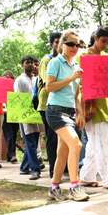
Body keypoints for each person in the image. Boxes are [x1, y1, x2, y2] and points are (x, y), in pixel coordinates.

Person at [46, 30, 88, 202]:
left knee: (63, 153)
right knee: (76, 144)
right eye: (70, 44)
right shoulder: (55, 62)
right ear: (62, 44)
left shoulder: (77, 67)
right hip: (55, 111)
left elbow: (77, 93)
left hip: (70, 112)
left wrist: (80, 112)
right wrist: (72, 78)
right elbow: (49, 87)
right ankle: (74, 186)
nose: (74, 47)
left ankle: (54, 188)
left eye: (77, 44)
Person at [79, 26, 108, 191]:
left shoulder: (107, 57)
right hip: (90, 105)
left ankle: (87, 177)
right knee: (104, 142)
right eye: (103, 41)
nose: (105, 45)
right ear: (95, 38)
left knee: (93, 143)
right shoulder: (83, 56)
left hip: (105, 103)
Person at [37, 32, 61, 178]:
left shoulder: (64, 60)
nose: (59, 45)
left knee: (60, 137)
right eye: (56, 42)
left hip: (61, 104)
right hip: (47, 104)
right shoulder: (47, 60)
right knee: (52, 138)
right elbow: (48, 84)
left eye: (61, 42)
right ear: (51, 44)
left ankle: (61, 167)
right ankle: (53, 169)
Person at [14, 56, 41, 180]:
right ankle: (35, 170)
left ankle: (24, 167)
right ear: (22, 65)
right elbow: (19, 98)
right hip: (25, 113)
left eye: (31, 62)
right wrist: (24, 115)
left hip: (36, 113)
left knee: (34, 142)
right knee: (30, 142)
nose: (30, 65)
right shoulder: (19, 80)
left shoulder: (36, 79)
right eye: (27, 63)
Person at [1, 70, 20, 163]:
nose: (8, 78)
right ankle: (12, 155)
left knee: (14, 135)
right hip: (4, 115)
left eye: (10, 77)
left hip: (15, 114)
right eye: (6, 77)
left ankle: (10, 155)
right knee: (9, 135)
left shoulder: (16, 88)